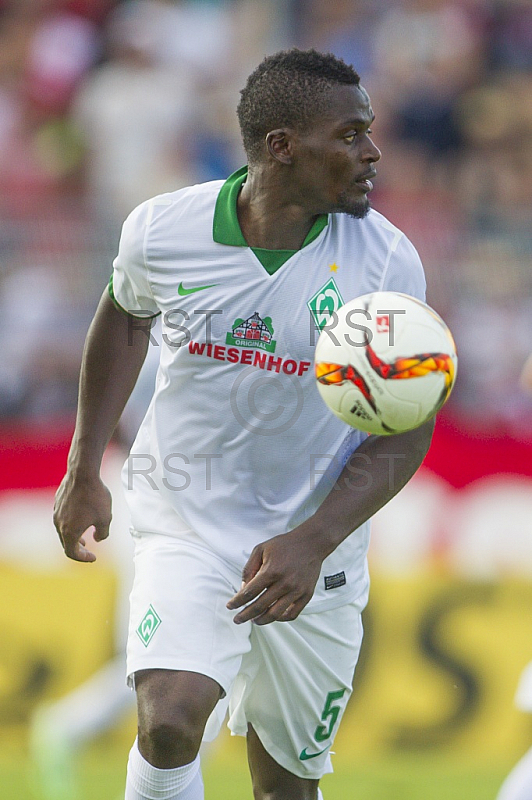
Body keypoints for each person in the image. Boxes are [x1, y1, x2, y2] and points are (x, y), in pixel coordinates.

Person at [53, 49, 434, 800]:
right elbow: (125, 316)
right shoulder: (164, 230)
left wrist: (315, 539)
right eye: (351, 134)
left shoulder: (387, 262)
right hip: (186, 521)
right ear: (282, 146)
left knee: (282, 788)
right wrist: (82, 466)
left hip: (315, 549)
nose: (372, 152)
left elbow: (409, 425)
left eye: (370, 133)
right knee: (167, 721)